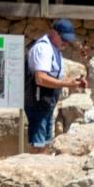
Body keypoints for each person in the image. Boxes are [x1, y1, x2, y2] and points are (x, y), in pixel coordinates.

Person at [25, 17, 82, 148]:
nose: (66, 43)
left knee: (45, 143)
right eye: (64, 39)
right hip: (38, 101)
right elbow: (41, 78)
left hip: (47, 102)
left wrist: (69, 81)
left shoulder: (54, 48)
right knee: (38, 145)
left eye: (68, 40)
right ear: (54, 33)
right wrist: (66, 84)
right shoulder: (44, 49)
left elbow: (54, 75)